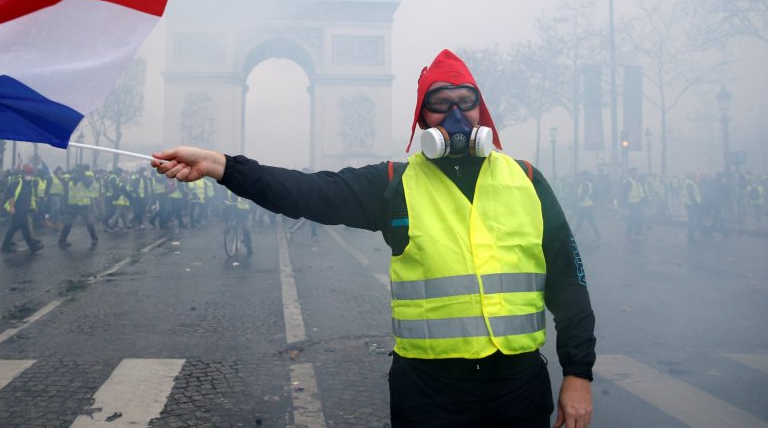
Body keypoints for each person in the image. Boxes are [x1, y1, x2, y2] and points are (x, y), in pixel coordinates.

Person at [153, 50, 595, 428]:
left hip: (517, 383)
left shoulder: (528, 179)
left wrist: (578, 373)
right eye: (440, 104)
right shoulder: (393, 183)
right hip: (428, 390)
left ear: (483, 110)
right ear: (421, 115)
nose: (456, 115)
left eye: (466, 101)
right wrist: (222, 165)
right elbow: (310, 193)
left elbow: (569, 284)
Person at [1, 164, 44, 253]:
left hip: (24, 209)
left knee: (21, 227)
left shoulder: (29, 184)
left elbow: (30, 197)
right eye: (28, 174)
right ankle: (6, 246)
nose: (30, 176)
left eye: (31, 174)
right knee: (17, 227)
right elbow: (11, 195)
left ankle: (31, 246)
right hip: (18, 208)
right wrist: (12, 207)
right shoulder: (18, 182)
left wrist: (33, 207)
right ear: (24, 173)